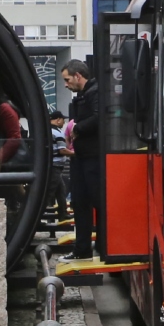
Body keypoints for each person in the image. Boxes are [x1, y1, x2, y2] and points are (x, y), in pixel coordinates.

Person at [61, 59, 99, 259]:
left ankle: (92, 247)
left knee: (91, 202)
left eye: (67, 80)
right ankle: (83, 248)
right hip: (83, 157)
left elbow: (100, 117)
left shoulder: (95, 93)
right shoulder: (86, 95)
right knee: (80, 203)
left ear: (78, 76)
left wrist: (77, 128)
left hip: (91, 158)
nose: (66, 85)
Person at [48, 110, 71, 223]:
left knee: (61, 190)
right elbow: (62, 150)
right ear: (58, 120)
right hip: (55, 166)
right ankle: (37, 218)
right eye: (63, 120)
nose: (63, 122)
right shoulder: (57, 133)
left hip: (53, 166)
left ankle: (63, 214)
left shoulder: (48, 130)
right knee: (50, 192)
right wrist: (75, 153)